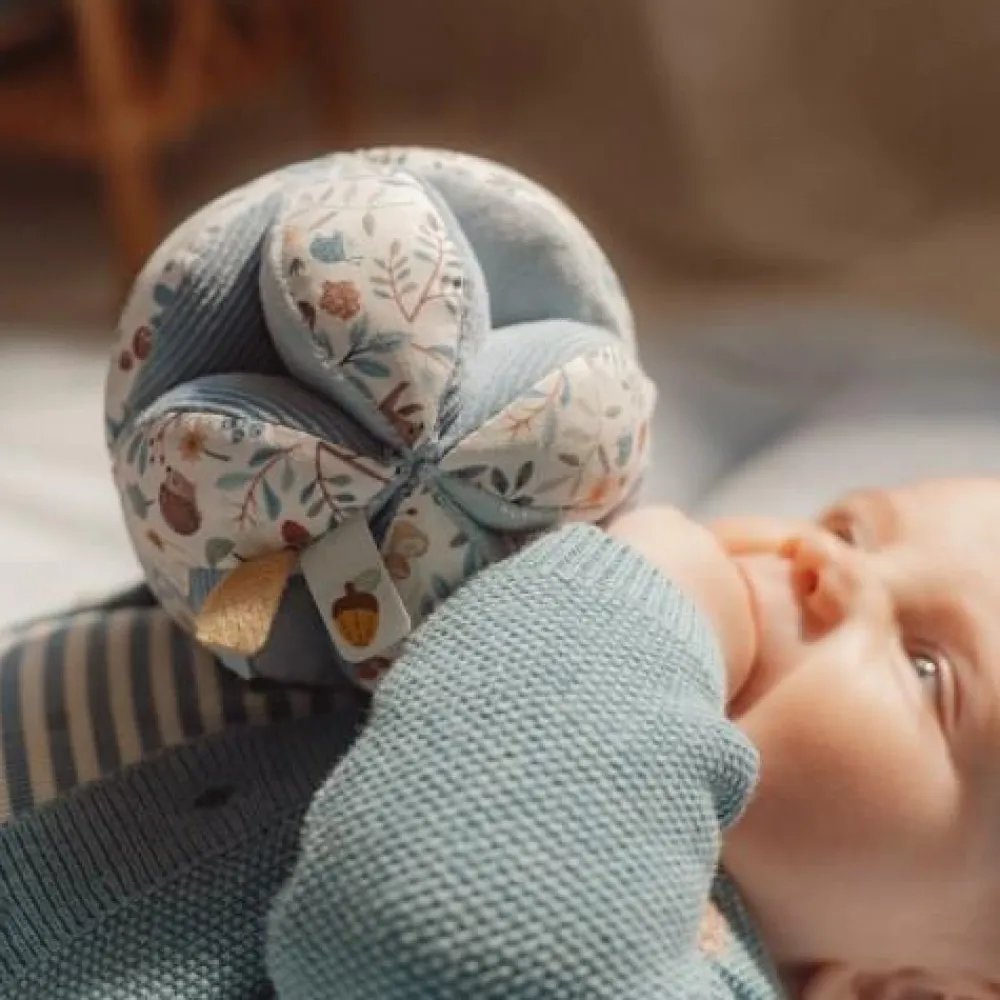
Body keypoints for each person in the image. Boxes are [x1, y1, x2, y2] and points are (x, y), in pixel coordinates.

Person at [3, 478, 1000, 998]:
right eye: (855, 526)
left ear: (901, 993)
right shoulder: (521, 645)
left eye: (926, 668)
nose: (821, 563)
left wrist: (628, 617)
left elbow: (438, 950)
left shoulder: (685, 974)